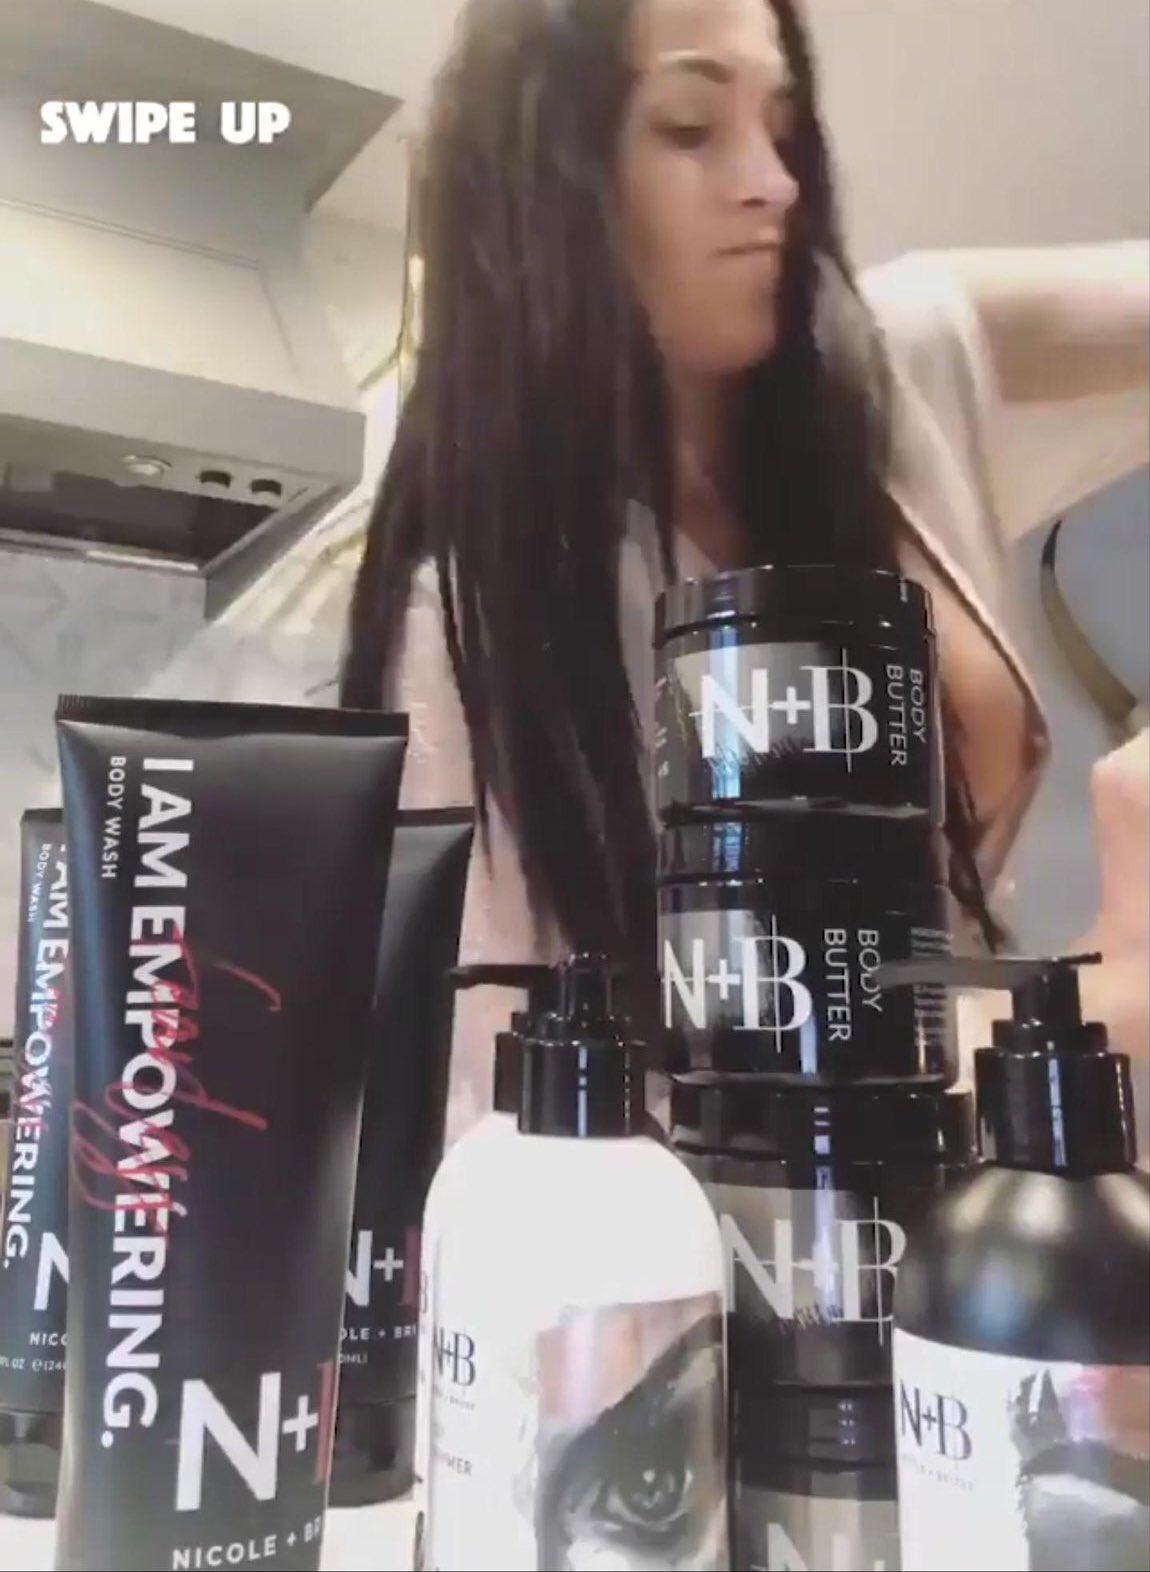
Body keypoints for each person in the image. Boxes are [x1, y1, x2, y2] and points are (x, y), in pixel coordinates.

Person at [342, 0, 1150, 1139]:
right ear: (540, 181)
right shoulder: (475, 616)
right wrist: (1105, 1005)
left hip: (961, 1186)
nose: (771, 184)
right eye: (689, 127)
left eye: (781, 127)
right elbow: (529, 1133)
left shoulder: (888, 381)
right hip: (742, 1233)